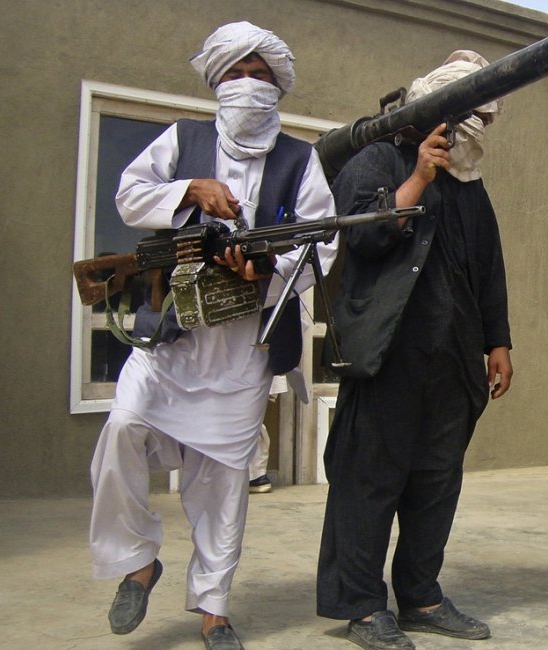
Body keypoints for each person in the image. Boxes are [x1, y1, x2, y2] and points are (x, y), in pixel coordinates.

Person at [87, 22, 336, 650]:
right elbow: (128, 195)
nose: (249, 86)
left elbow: (323, 243)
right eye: (236, 74)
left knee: (224, 482)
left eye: (261, 76)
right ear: (216, 82)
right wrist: (188, 191)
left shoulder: (300, 159)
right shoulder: (184, 139)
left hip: (242, 351)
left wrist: (267, 269)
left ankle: (214, 610)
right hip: (171, 340)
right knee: (121, 431)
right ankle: (138, 561)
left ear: (278, 86)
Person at [315, 50, 512, 650]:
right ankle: (363, 605)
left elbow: (488, 267)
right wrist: (418, 178)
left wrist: (497, 341)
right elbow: (363, 236)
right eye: (469, 113)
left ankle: (422, 595)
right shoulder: (376, 157)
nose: (478, 128)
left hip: (450, 360)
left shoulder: (471, 184)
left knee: (435, 480)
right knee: (370, 478)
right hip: (388, 354)